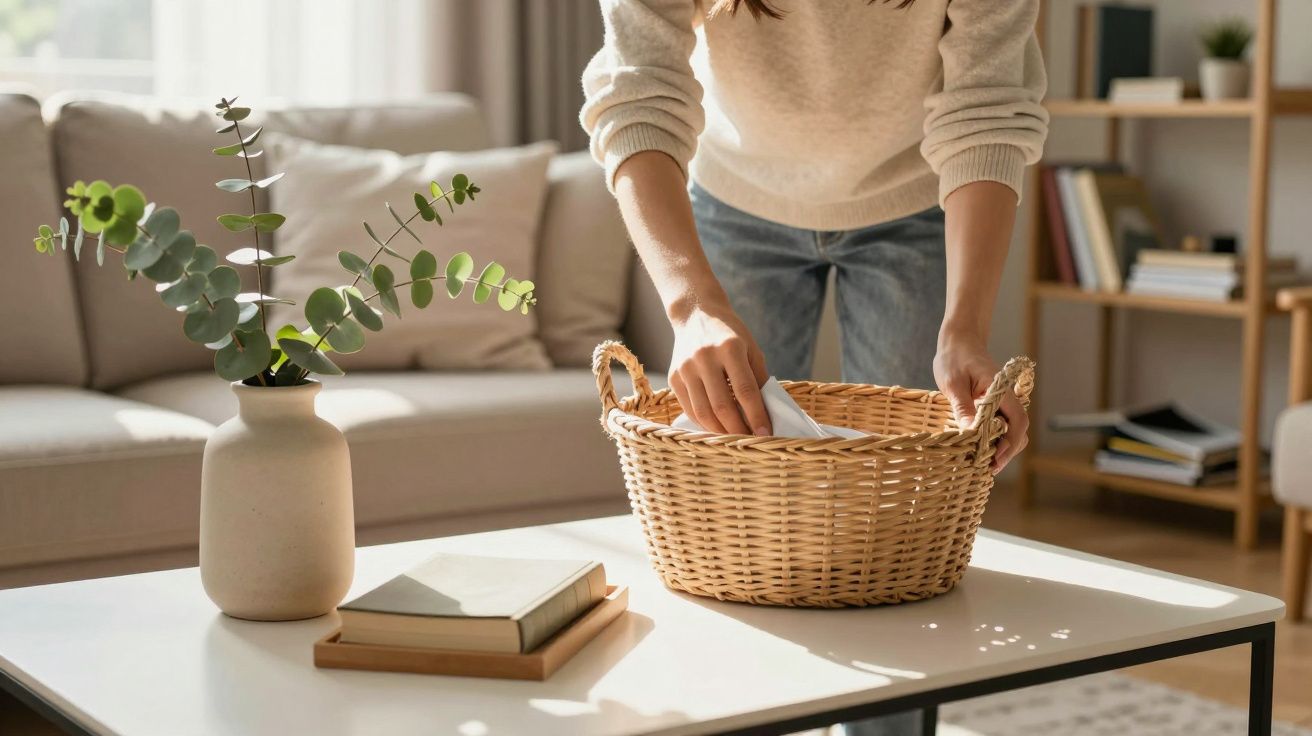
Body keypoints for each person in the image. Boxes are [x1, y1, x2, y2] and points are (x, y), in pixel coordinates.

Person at [582, 1, 1046, 730]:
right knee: (733, 542)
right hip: (733, 194)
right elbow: (637, 91)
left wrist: (967, 326)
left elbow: (986, 110)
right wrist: (689, 306)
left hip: (918, 198)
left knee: (895, 546)